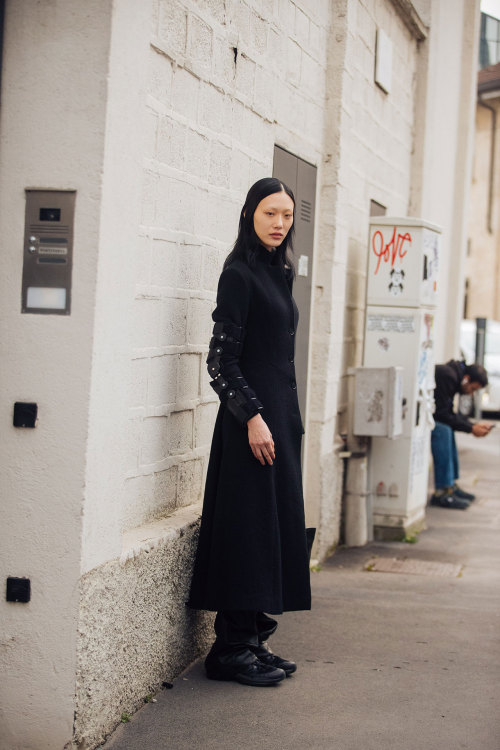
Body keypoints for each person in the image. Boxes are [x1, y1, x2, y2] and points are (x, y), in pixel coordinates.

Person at [187, 177, 313, 687]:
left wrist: (284, 419)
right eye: (269, 214)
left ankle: (251, 640)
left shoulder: (276, 272)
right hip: (251, 427)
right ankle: (229, 651)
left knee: (271, 530)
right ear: (248, 216)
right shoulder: (238, 274)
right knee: (247, 531)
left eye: (285, 215)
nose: (279, 224)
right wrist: (254, 417)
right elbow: (220, 360)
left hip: (279, 422)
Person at [430, 360, 492, 509]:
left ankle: (451, 485)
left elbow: (448, 413)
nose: (471, 393)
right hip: (423, 417)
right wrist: (471, 429)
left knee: (448, 430)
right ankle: (442, 491)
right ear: (467, 379)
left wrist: (472, 425)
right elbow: (442, 414)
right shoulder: (448, 376)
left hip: (433, 416)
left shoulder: (453, 376)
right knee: (443, 430)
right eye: (473, 388)